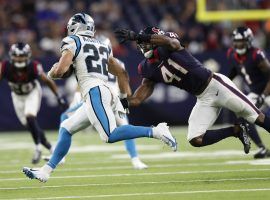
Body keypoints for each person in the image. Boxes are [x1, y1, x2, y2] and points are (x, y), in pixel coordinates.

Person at [22, 13, 177, 182]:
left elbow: (60, 71)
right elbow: (121, 72)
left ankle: (155, 131)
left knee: (109, 135)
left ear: (76, 26)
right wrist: (124, 98)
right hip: (104, 92)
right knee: (66, 127)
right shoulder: (102, 45)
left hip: (94, 91)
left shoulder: (72, 41)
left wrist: (52, 72)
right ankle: (45, 171)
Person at [114, 26, 270, 152]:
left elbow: (172, 43)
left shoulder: (168, 45)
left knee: (258, 118)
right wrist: (124, 102)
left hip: (217, 86)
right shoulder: (146, 67)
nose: (143, 46)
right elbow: (139, 96)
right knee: (195, 139)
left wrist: (138, 36)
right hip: (203, 97)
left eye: (145, 42)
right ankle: (236, 131)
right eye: (141, 44)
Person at [55, 34, 148, 170]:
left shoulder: (87, 60)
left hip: (100, 99)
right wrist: (124, 100)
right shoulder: (118, 63)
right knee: (124, 128)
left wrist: (77, 100)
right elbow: (124, 82)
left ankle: (60, 157)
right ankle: (136, 159)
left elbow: (83, 85)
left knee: (66, 119)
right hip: (113, 101)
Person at [0, 42, 66, 164]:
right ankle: (52, 149)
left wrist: (58, 96)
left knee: (30, 116)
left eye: (22, 56)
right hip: (17, 96)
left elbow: (47, 81)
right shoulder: (5, 66)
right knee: (30, 125)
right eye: (17, 56)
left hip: (32, 92)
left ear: (28, 56)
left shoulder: (34, 66)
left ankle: (38, 148)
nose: (19, 58)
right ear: (11, 56)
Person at [227, 26, 270, 159]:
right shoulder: (232, 54)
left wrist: (263, 96)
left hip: (267, 90)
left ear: (249, 40)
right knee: (242, 114)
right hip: (255, 92)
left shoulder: (256, 54)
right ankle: (262, 148)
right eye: (237, 41)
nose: (239, 44)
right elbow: (233, 73)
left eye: (242, 41)